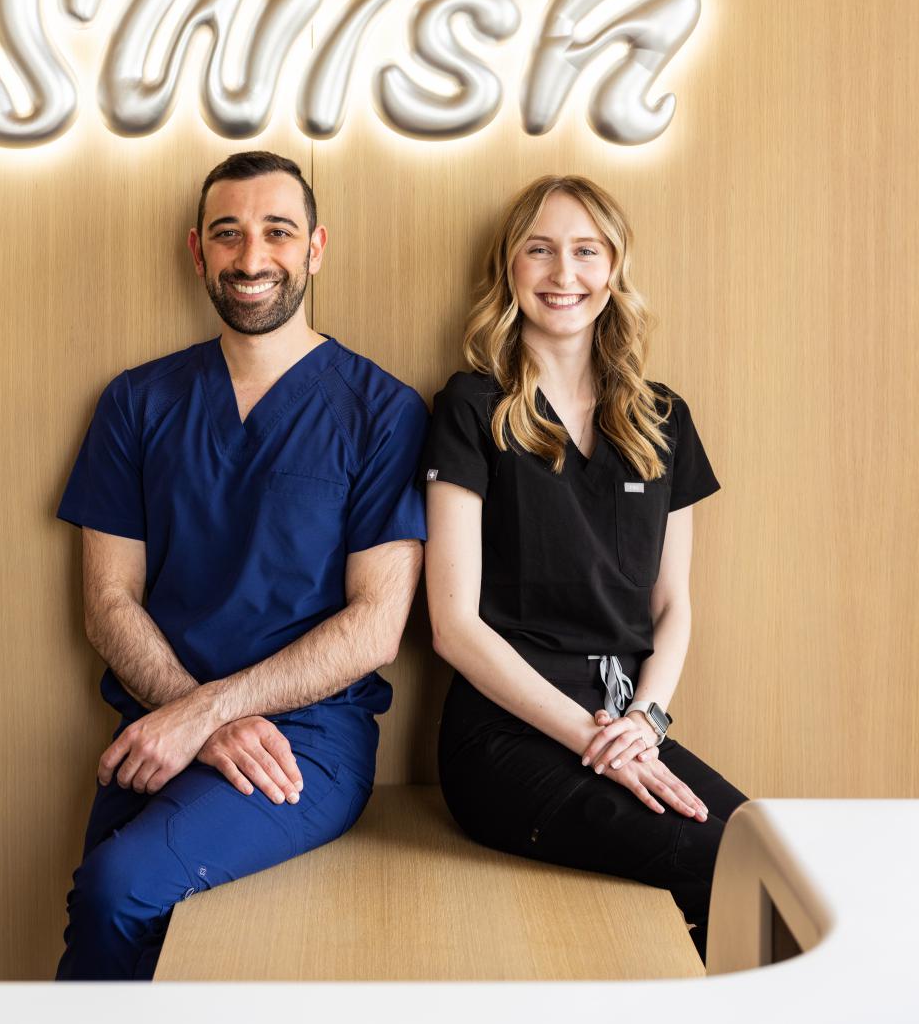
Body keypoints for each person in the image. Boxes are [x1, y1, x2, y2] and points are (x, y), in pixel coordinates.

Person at [55, 150, 427, 981]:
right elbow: (108, 601)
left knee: (119, 888)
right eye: (228, 234)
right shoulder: (136, 402)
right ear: (198, 251)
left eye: (277, 232)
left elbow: (375, 625)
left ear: (316, 247)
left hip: (309, 741)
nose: (252, 258)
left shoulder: (382, 410)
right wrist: (195, 714)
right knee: (105, 910)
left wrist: (208, 713)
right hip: (159, 720)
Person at [421, 173, 748, 965]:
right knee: (722, 869)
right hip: (506, 736)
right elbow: (454, 627)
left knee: (763, 853)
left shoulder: (664, 419)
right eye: (539, 249)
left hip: (626, 727)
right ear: (509, 268)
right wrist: (589, 736)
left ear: (613, 268)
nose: (563, 273)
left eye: (584, 251)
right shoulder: (470, 408)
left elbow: (673, 606)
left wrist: (646, 724)